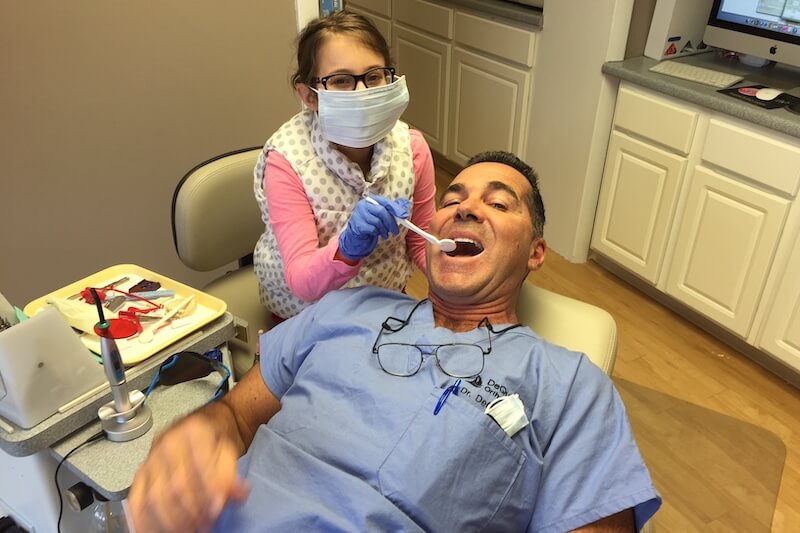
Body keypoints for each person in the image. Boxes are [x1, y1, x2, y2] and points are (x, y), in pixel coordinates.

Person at [129, 151, 661, 532]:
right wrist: (192, 439)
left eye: (499, 204)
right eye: (453, 199)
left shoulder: (569, 385)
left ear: (536, 253)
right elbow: (236, 418)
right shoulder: (347, 307)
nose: (466, 209)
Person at [253, 10, 436, 320]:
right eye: (341, 81)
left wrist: (451, 269)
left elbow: (420, 240)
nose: (363, 93)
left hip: (384, 300)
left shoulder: (412, 149)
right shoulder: (288, 161)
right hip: (306, 314)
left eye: (374, 76)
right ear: (309, 97)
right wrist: (348, 247)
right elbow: (302, 281)